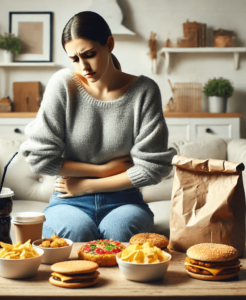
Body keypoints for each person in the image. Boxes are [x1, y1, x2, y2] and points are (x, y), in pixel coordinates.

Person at [21, 11, 177, 242]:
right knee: (74, 232)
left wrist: (89, 186)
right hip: (68, 198)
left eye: (89, 54)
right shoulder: (63, 84)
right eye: (74, 59)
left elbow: (153, 168)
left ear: (109, 44)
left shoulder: (144, 90)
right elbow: (40, 159)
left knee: (120, 231)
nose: (83, 66)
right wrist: (101, 170)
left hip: (124, 199)